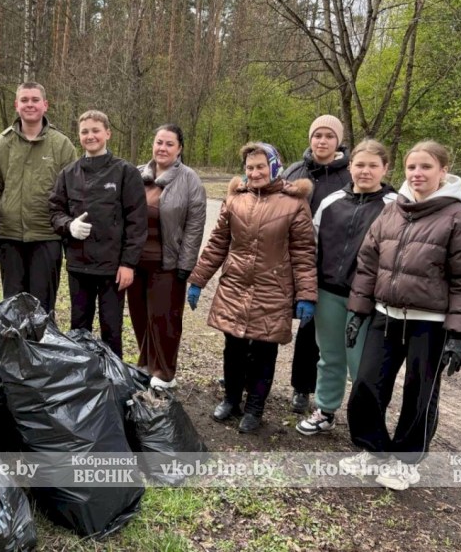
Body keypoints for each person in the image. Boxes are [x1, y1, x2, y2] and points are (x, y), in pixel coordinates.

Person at [341, 140, 461, 490]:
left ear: (443, 171)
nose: (418, 174)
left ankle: (406, 461)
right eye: (412, 167)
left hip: (430, 323)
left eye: (426, 167)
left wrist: (460, 335)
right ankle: (372, 449)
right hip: (385, 315)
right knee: (366, 384)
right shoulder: (392, 211)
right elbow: (368, 264)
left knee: (420, 392)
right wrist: (358, 312)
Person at [187, 142, 317, 433]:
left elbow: (304, 253)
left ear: (273, 166)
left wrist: (307, 294)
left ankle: (255, 408)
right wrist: (198, 279)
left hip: (273, 290)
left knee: (263, 351)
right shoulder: (235, 199)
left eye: (260, 166)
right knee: (232, 347)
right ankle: (231, 399)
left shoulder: (294, 203)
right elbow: (218, 243)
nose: (255, 172)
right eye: (250, 168)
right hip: (235, 286)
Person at [296, 140, 397, 436]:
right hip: (328, 293)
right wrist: (308, 290)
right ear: (350, 166)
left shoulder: (394, 206)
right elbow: (311, 248)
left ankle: (364, 420)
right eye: (360, 165)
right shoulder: (330, 203)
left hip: (367, 299)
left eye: (372, 166)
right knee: (329, 356)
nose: (365, 171)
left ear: (385, 169)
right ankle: (325, 410)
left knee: (362, 365)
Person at [48, 110, 147, 358]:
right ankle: (80, 381)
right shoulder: (68, 174)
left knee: (111, 328)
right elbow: (55, 211)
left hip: (112, 269)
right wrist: (68, 225)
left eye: (95, 130)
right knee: (79, 327)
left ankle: (112, 381)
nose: (90, 136)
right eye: (84, 131)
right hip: (79, 265)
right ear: (78, 136)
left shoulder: (125, 173)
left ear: (107, 133)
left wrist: (128, 263)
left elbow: (137, 221)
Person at [0, 82, 77, 315]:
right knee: (12, 308)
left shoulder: (62, 145)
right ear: (16, 105)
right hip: (10, 237)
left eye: (35, 100)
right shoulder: (1, 143)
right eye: (24, 100)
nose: (30, 104)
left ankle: (40, 350)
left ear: (45, 105)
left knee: (41, 310)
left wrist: (68, 234)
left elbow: (73, 196)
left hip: (47, 237)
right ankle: (15, 351)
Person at [126, 124, 207, 389]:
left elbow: (195, 225)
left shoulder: (189, 179)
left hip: (167, 264)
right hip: (135, 263)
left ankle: (164, 372)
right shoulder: (137, 174)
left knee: (165, 320)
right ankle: (146, 364)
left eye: (169, 144)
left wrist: (186, 264)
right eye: (159, 142)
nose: (162, 148)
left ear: (180, 148)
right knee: (140, 317)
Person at [283, 114, 351, 413]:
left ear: (338, 141)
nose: (322, 141)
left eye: (328, 136)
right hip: (288, 260)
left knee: (311, 331)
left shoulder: (349, 175)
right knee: (268, 319)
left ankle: (302, 387)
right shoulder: (295, 171)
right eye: (317, 135)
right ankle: (247, 378)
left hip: (325, 264)